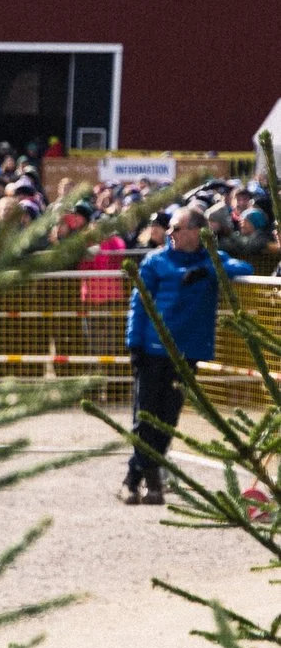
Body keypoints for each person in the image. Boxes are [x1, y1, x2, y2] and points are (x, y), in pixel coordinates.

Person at [123, 203, 250, 504]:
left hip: (187, 353)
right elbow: (139, 303)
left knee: (168, 418)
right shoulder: (155, 261)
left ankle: (138, 478)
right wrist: (134, 344)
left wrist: (205, 270)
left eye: (177, 228)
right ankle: (143, 478)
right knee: (145, 417)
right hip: (152, 350)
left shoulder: (211, 259)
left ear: (196, 231)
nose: (170, 233)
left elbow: (245, 269)